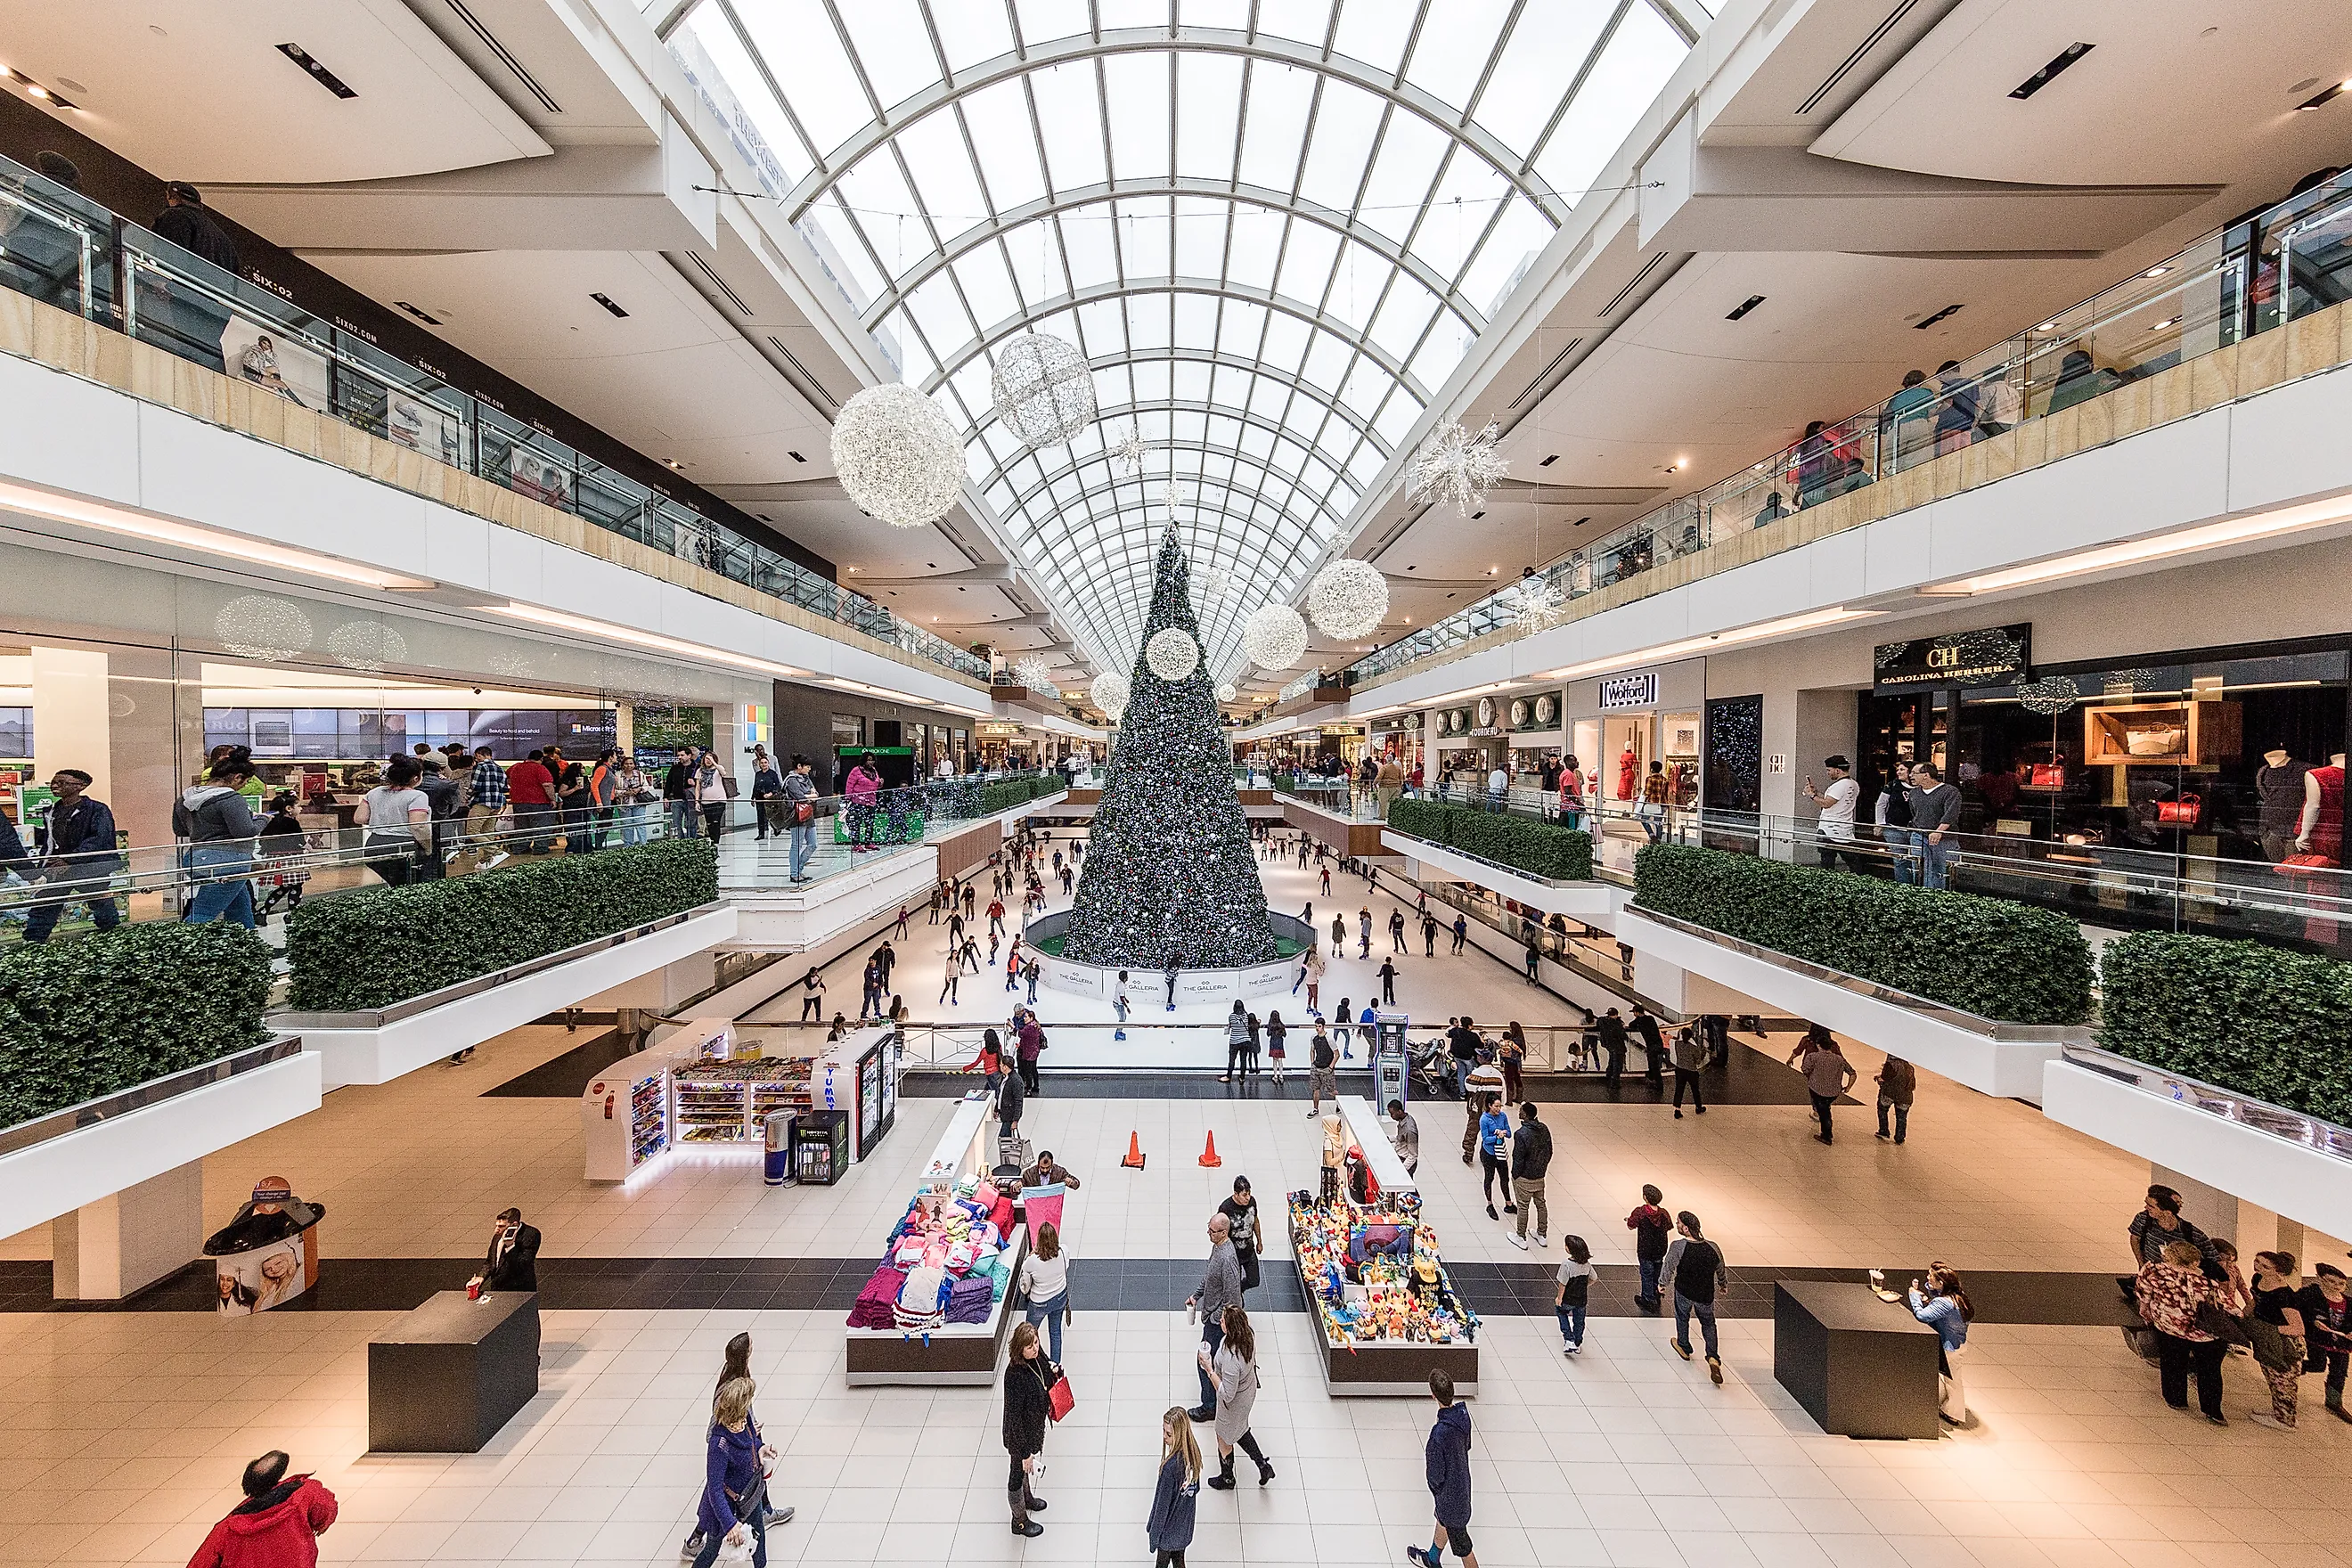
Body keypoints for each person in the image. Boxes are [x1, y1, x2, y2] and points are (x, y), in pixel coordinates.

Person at [2135, 1239, 2239, 1424]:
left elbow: (2144, 1293)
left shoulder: (2154, 1271)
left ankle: (2176, 1399)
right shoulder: (2206, 1284)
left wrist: (2147, 1311)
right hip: (2204, 1335)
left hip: (2170, 1327)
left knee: (2172, 1363)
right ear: (2195, 1261)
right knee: (2210, 1371)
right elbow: (2229, 1306)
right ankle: (2212, 1410)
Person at [185, 1451, 337, 1568]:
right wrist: (320, 1525)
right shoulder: (306, 1493)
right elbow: (326, 1508)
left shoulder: (226, 1529)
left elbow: (200, 1564)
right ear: (279, 1473)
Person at [23, 767, 122, 943]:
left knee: (100, 902)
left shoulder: (98, 810)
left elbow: (99, 839)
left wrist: (69, 859)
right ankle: (33, 941)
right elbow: (51, 839)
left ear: (80, 786)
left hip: (88, 868)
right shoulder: (52, 811)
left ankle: (112, 936)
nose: (55, 786)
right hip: (58, 868)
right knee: (45, 903)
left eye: (61, 782)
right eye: (53, 782)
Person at [149, 182, 239, 371]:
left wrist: (162, 281)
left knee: (183, 350)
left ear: (172, 197)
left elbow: (170, 253)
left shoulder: (174, 217)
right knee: (207, 351)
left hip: (185, 297)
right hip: (219, 309)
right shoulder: (224, 239)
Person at [688, 1376, 773, 1568]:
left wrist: (761, 1449)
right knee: (711, 1549)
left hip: (750, 1496)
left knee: (759, 1541)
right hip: (726, 1506)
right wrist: (729, 1524)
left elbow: (753, 1442)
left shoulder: (746, 1420)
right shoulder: (719, 1445)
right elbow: (715, 1488)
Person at [176, 749, 262, 929]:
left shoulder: (184, 799)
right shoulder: (230, 798)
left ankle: (248, 947)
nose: (243, 787)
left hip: (196, 858)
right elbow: (245, 832)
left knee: (240, 908)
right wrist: (263, 820)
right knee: (202, 913)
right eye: (244, 782)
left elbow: (179, 829)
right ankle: (179, 950)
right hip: (229, 862)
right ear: (237, 777)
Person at [1407, 1368, 1478, 1568]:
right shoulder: (1463, 1417)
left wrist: (1437, 1489)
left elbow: (1435, 1475)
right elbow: (1467, 1445)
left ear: (1433, 1395)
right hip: (1462, 1487)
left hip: (1450, 1497)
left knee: (1464, 1547)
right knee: (1442, 1519)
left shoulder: (1438, 1435)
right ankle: (1432, 1558)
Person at [1200, 1303, 1274, 1489]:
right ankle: (1262, 1465)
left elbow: (1226, 1394)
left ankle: (1227, 1478)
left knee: (1223, 1436)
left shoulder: (1233, 1360)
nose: (1221, 1321)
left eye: (1223, 1320)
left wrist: (1209, 1370)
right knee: (1240, 1429)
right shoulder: (1248, 1335)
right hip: (1246, 1392)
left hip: (1233, 1403)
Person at [1184, 1213, 1243, 1421]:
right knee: (1208, 1359)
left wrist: (1217, 1317)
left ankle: (1210, 1406)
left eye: (1212, 1231)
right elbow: (1210, 1277)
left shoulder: (1227, 1258)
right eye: (1208, 1228)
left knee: (1205, 1361)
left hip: (1217, 1322)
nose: (1208, 1233)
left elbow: (1233, 1297)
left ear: (1224, 1232)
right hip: (1212, 1317)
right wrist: (1197, 1295)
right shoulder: (1217, 1248)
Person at [1002, 1320, 1055, 1536]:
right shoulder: (1014, 1375)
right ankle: (1019, 1521)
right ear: (1019, 1349)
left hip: (1033, 1428)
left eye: (1036, 1342)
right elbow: (1014, 1418)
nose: (1035, 1348)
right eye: (1029, 1346)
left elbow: (1045, 1373)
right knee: (1017, 1472)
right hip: (1018, 1436)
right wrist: (1024, 1452)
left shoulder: (1037, 1356)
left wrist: (1053, 1370)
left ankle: (1028, 1498)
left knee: (1026, 1468)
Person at [1664, 1210, 1727, 1384]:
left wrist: (1662, 1284)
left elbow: (1669, 1265)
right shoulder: (1712, 1247)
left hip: (1684, 1291)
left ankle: (1684, 1346)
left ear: (1685, 1228)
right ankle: (1713, 1357)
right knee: (1708, 1324)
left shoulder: (1679, 1246)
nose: (1676, 1225)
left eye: (1678, 1223)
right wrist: (1723, 1284)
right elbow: (1720, 1267)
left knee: (1682, 1317)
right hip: (1705, 1294)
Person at [1907, 1263, 1974, 1425]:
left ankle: (1953, 1412)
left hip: (1950, 1347)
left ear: (1941, 1283)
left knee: (1953, 1381)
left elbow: (1922, 1315)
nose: (1927, 1278)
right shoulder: (1958, 1297)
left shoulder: (1945, 1303)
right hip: (1958, 1344)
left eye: (1931, 1276)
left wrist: (1914, 1297)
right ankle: (1947, 1406)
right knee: (1952, 1379)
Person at [2248, 1251, 2307, 1430]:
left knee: (2284, 1381)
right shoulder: (2257, 1279)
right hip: (2268, 1338)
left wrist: (2269, 1330)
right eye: (2257, 1261)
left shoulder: (2284, 1295)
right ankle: (2279, 1410)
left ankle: (2286, 1420)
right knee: (2271, 1376)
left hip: (2286, 1343)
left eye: (2265, 1266)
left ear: (2278, 1272)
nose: (2258, 1267)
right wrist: (2243, 1315)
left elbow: (2298, 1328)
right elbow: (2255, 1300)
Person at [356, 758, 433, 886]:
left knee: (387, 885)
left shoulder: (374, 792)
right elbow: (418, 826)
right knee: (408, 885)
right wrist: (428, 847)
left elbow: (360, 818)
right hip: (403, 845)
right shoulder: (417, 796)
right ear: (415, 778)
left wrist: (382, 818)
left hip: (374, 843)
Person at [1147, 1406, 1202, 1568]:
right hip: (1183, 1528)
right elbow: (1194, 1490)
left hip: (1167, 1533)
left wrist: (1154, 1537)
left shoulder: (1169, 1469)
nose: (1164, 1437)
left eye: (1169, 1434)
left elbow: (1162, 1508)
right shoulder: (1193, 1456)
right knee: (1179, 1561)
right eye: (1163, 1431)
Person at [2296, 1263, 2352, 1423]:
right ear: (2320, 1279)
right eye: (2331, 1282)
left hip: (2342, 1344)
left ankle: (2334, 1402)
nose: (2336, 1286)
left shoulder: (2349, 1302)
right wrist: (2312, 1322)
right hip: (2317, 1339)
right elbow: (2296, 1311)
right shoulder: (2308, 1295)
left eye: (2341, 1283)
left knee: (2339, 1373)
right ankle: (2296, 1366)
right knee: (2317, 1364)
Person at [2127, 1184, 2220, 1273]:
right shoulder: (2143, 1219)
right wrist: (2142, 1265)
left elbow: (2215, 1259)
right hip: (2152, 1277)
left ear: (2167, 1213)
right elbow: (2135, 1239)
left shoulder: (2192, 1233)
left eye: (2151, 1206)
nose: (2146, 1208)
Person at [1789, 1029, 1857, 1144]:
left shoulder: (1812, 1057)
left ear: (1818, 1045)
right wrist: (1848, 1087)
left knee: (1824, 1113)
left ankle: (1827, 1136)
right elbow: (1853, 1073)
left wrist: (1812, 1075)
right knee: (1826, 1108)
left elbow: (1805, 1070)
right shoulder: (1839, 1059)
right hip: (1834, 1091)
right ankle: (1825, 1130)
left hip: (1817, 1089)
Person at [1019, 1220, 1070, 1363]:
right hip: (1060, 1297)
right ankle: (1055, 1366)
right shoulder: (1063, 1251)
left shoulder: (1032, 1261)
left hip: (1039, 1303)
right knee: (1055, 1332)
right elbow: (1066, 1267)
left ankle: (1035, 1363)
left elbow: (1025, 1285)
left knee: (1029, 1335)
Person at [1907, 763, 1962, 890]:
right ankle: (1923, 895)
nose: (1911, 776)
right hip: (1919, 835)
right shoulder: (1914, 793)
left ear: (1926, 775)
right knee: (1920, 868)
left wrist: (1939, 831)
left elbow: (1951, 814)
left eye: (1914, 773)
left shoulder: (1950, 792)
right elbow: (1914, 813)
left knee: (1941, 870)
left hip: (1945, 838)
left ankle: (1939, 898)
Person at [1804, 756, 1863, 871]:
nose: (1828, 773)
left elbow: (1826, 803)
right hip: (1845, 828)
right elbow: (1834, 801)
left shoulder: (1838, 786)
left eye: (1829, 770)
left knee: (1827, 862)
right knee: (1853, 861)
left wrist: (1812, 795)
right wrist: (1816, 793)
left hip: (1829, 828)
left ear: (1837, 770)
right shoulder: (1854, 784)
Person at [1507, 1101, 1551, 1250]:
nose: (1519, 1112)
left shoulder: (1521, 1134)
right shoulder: (1544, 1129)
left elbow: (1518, 1157)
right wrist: (1542, 1168)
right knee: (1541, 1204)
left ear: (1524, 1115)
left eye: (1521, 1111)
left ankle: (1520, 1236)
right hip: (1540, 1175)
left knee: (1523, 1206)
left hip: (1525, 1177)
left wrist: (1515, 1174)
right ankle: (1542, 1234)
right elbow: (1549, 1151)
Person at [1628, 1185, 1672, 1311]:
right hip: (1660, 1249)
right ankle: (1656, 1294)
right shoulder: (1664, 1213)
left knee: (1646, 1274)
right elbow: (1669, 1226)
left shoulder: (1640, 1212)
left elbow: (1631, 1225)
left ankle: (1648, 1299)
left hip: (1645, 1249)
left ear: (1645, 1197)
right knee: (1657, 1272)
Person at [1218, 1177, 1262, 1293]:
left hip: (1249, 1250)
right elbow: (1219, 1232)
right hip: (1233, 1255)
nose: (1248, 1198)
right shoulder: (1226, 1208)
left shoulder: (1252, 1202)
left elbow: (1255, 1220)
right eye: (1244, 1195)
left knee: (1254, 1280)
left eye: (1249, 1194)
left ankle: (1240, 1289)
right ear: (1236, 1194)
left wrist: (1259, 1241)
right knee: (1233, 1284)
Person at [481, 1207, 540, 1292]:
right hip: (498, 1287)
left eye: (501, 1226)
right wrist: (481, 1277)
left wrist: (510, 1247)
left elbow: (522, 1264)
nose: (496, 1230)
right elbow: (491, 1261)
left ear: (514, 1225)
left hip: (519, 1289)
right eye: (497, 1225)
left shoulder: (531, 1235)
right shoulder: (497, 1236)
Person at [1475, 1094, 1513, 1223]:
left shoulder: (1503, 1116)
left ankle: (1508, 1203)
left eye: (1500, 1106)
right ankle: (1490, 1204)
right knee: (1489, 1177)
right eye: (1496, 1106)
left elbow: (1509, 1132)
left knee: (1505, 1178)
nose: (1498, 1109)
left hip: (1500, 1153)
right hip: (1489, 1153)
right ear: (1490, 1105)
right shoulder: (1484, 1119)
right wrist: (1497, 1136)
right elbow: (1486, 1139)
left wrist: (1503, 1133)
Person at [1556, 1236, 1596, 1353]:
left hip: (1568, 1298)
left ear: (1569, 1249)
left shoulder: (1566, 1264)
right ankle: (1577, 1342)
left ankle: (1568, 1339)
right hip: (1582, 1299)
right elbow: (1594, 1278)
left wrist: (1559, 1298)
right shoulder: (1587, 1264)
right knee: (1579, 1321)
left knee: (1561, 1312)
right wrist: (1584, 1286)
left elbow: (1562, 1283)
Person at [1879, 760, 1915, 883]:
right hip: (1894, 828)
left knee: (1916, 860)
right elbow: (1881, 804)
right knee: (1900, 860)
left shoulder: (1921, 787)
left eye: (1902, 769)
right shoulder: (1892, 785)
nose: (1898, 772)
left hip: (1915, 830)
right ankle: (1903, 886)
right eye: (1898, 769)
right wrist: (1880, 824)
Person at [1875, 1055, 1916, 1142]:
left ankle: (1884, 1131)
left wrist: (1878, 1078)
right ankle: (1900, 1137)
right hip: (1906, 1097)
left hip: (1889, 1093)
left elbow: (1884, 1078)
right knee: (1902, 1116)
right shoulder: (1910, 1068)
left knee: (1882, 1109)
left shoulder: (1890, 1065)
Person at [1670, 1025, 1707, 1117]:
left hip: (1680, 1069)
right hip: (1692, 1071)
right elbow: (1698, 1061)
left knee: (1679, 1089)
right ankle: (1698, 1107)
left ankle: (1677, 1110)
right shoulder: (1694, 1048)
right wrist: (1703, 1053)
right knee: (1695, 1090)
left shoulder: (1677, 1044)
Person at [749, 751, 786, 840]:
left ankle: (776, 828)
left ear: (768, 763)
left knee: (771, 815)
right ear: (759, 764)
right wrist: (752, 797)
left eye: (765, 762)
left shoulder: (772, 773)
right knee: (760, 816)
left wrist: (771, 793)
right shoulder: (758, 774)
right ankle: (761, 833)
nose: (764, 764)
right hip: (759, 797)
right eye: (762, 763)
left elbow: (777, 785)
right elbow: (755, 785)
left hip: (770, 798)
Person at [1629, 1004, 1665, 1087]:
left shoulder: (1639, 1020)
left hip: (1651, 1046)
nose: (1634, 1014)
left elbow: (1631, 1025)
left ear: (1637, 1013)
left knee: (1653, 1065)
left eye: (1634, 1013)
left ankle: (1658, 1083)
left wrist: (1637, 1020)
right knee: (1654, 1063)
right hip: (1659, 1043)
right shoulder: (1651, 1018)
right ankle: (1653, 1078)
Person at [996, 1048, 1026, 1145]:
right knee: (1005, 1140)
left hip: (1010, 1116)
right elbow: (1001, 1094)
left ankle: (1007, 1157)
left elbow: (1018, 1102)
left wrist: (1015, 1120)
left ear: (1005, 1067)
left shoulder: (1016, 1081)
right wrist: (997, 1108)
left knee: (1003, 1139)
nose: (999, 1066)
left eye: (1001, 1065)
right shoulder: (1005, 1077)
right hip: (1005, 1114)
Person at [1595, 1007, 1628, 1090]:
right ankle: (1615, 1082)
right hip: (1618, 1046)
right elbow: (1622, 1034)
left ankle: (1609, 1077)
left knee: (1612, 1061)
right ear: (1616, 1015)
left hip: (1609, 1045)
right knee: (1617, 1064)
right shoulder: (1617, 1024)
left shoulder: (1603, 1021)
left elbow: (1599, 1021)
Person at [1637, 759, 1670, 843]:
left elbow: (1647, 792)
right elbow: (1666, 793)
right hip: (1662, 804)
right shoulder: (1665, 780)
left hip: (1651, 803)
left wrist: (1642, 793)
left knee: (1644, 820)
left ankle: (1652, 835)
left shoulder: (1649, 779)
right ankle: (1658, 839)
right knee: (1658, 822)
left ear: (1652, 769)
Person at [1387, 1098, 1420, 1176]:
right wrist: (1389, 1139)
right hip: (1400, 1157)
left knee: (1405, 1187)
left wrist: (1402, 1169)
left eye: (1392, 1114)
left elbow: (1413, 1154)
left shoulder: (1409, 1130)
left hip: (1406, 1162)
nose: (1391, 1116)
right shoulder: (1403, 1120)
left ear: (1399, 1111)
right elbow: (1401, 1138)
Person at [1221, 1000, 1249, 1082]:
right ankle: (1242, 1077)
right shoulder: (1246, 1016)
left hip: (1234, 1041)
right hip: (1245, 1040)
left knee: (1232, 1060)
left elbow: (1232, 1025)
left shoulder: (1231, 1016)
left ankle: (1229, 1076)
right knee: (1243, 1060)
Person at [1017, 1012, 1045, 1094]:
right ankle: (1036, 1086)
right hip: (1034, 1051)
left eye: (1026, 1017)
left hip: (1029, 1052)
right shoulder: (1036, 1025)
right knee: (1033, 1069)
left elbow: (1021, 1033)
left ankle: (1028, 1089)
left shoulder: (1029, 1027)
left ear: (1031, 1018)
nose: (1024, 1019)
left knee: (1028, 1071)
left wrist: (1013, 1026)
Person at [1264, 1010, 1286, 1082]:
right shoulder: (1281, 1025)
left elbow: (1268, 1034)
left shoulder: (1271, 1025)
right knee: (1280, 1059)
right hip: (1280, 1043)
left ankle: (1275, 1075)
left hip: (1273, 1043)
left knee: (1274, 1060)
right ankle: (1281, 1075)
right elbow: (1284, 1035)